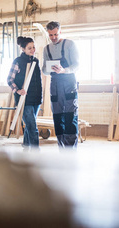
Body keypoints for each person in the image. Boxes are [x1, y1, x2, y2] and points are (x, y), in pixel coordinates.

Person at [42, 21, 79, 149]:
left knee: (70, 115)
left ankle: (71, 149)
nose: (53, 37)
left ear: (60, 32)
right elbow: (44, 69)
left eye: (55, 34)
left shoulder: (70, 44)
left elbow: (77, 65)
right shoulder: (46, 49)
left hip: (69, 82)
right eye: (50, 35)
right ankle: (61, 148)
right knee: (57, 117)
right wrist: (49, 69)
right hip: (55, 84)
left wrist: (64, 70)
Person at [7, 36, 43, 151]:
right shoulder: (18, 62)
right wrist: (18, 90)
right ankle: (35, 151)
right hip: (24, 99)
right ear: (23, 49)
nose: (33, 50)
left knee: (29, 125)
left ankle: (26, 146)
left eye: (33, 47)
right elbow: (9, 80)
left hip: (36, 98)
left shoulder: (36, 61)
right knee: (33, 127)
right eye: (29, 48)